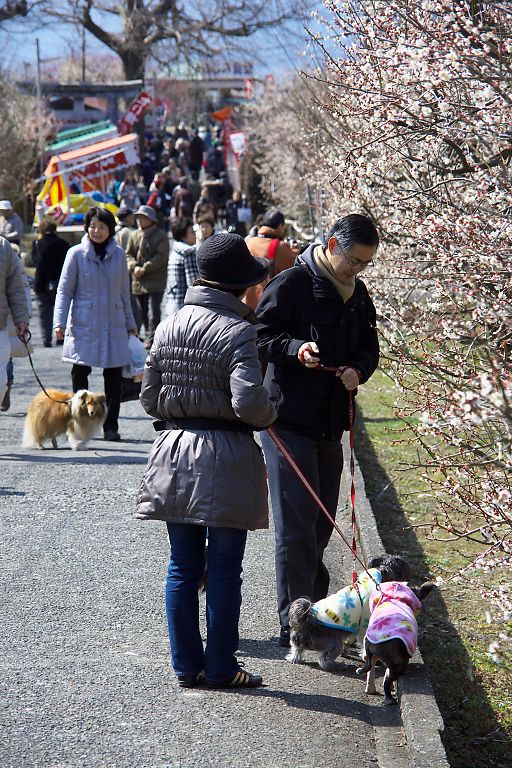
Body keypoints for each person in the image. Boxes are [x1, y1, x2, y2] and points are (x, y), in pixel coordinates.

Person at [137, 232, 277, 689]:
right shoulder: (239, 331)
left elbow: (150, 398)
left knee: (181, 568)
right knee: (222, 570)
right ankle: (220, 667)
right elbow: (250, 406)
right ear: (239, 284)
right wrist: (274, 403)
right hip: (226, 456)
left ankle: (186, 667)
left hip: (174, 452)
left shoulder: (168, 325)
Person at [256, 213, 380, 647]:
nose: (357, 270)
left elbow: (370, 348)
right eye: (353, 260)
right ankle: (294, 624)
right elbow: (260, 337)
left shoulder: (358, 295)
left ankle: (315, 611)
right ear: (331, 245)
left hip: (330, 423)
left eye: (365, 264)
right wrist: (295, 349)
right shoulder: (289, 284)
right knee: (295, 525)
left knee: (322, 522)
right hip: (287, 421)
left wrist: (357, 371)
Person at [53, 207, 137, 442]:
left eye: (102, 226)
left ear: (110, 229)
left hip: (113, 323)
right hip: (84, 324)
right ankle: (79, 425)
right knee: (80, 373)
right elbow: (64, 291)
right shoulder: (75, 254)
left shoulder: (119, 255)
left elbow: (124, 293)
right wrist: (58, 323)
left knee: (114, 378)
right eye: (92, 226)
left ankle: (111, 426)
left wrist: (131, 323)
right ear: (86, 228)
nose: (96, 231)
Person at [125, 205, 169, 348]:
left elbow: (161, 256)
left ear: (150, 219)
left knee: (153, 311)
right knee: (141, 311)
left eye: (142, 217)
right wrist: (134, 266)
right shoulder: (134, 235)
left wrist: (145, 268)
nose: (139, 220)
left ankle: (153, 337)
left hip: (155, 280)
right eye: (137, 217)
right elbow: (128, 254)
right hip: (138, 281)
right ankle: (150, 334)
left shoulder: (161, 235)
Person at [244, 208, 299, 310]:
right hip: (268, 307)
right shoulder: (279, 247)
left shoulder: (248, 243)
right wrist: (296, 249)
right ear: (280, 226)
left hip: (246, 306)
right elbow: (297, 264)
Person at [0, 237, 30, 410]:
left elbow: (16, 287)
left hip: (0, 325)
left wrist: (21, 319)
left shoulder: (3, 246)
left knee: (1, 382)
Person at [32, 218, 68, 347]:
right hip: (61, 282)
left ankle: (46, 339)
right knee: (62, 311)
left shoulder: (37, 244)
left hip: (42, 283)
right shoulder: (63, 244)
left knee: (44, 313)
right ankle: (61, 337)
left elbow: (34, 261)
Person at [164, 218, 197, 317]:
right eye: (192, 232)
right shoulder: (189, 252)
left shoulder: (175, 251)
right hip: (186, 310)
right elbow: (194, 284)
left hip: (172, 308)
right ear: (183, 235)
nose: (195, 234)